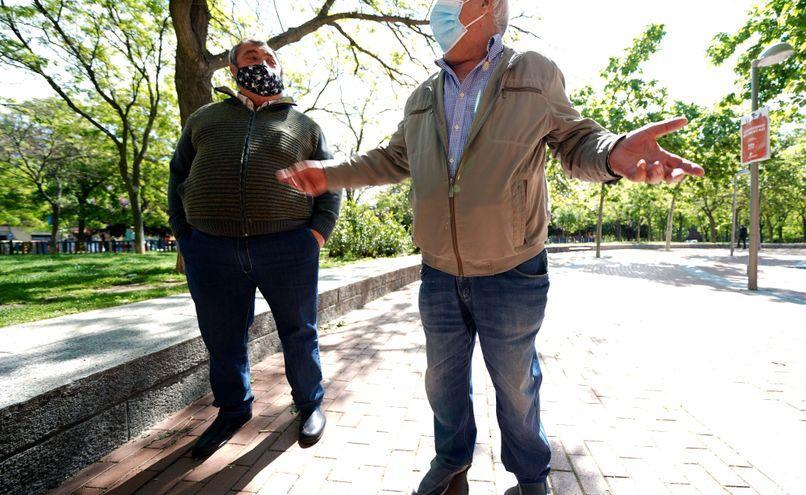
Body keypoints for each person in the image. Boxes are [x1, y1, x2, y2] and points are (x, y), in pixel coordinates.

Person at [278, 1, 704, 493]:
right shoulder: (422, 96)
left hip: (513, 270)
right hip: (439, 272)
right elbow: (393, 159)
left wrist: (613, 153)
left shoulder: (533, 73)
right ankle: (452, 458)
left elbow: (577, 141)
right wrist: (328, 174)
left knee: (516, 386)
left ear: (487, 8)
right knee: (443, 383)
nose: (441, 8)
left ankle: (530, 476)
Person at [167, 39, 341, 459]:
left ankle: (309, 403)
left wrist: (314, 235)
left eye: (269, 58)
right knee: (222, 337)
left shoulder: (304, 125)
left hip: (287, 247)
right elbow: (177, 175)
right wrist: (184, 234)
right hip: (210, 249)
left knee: (300, 332)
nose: (262, 63)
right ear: (232, 70)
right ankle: (232, 410)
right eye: (251, 57)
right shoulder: (203, 119)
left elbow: (329, 182)